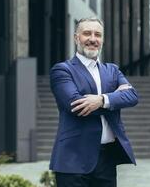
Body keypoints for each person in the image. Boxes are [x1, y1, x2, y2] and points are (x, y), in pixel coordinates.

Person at [49, 17, 138, 187]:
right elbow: (76, 105)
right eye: (87, 33)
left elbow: (133, 96)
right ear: (76, 38)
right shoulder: (62, 70)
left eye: (98, 34)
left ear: (102, 40)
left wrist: (102, 100)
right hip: (73, 161)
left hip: (106, 161)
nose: (92, 39)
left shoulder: (112, 70)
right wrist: (115, 98)